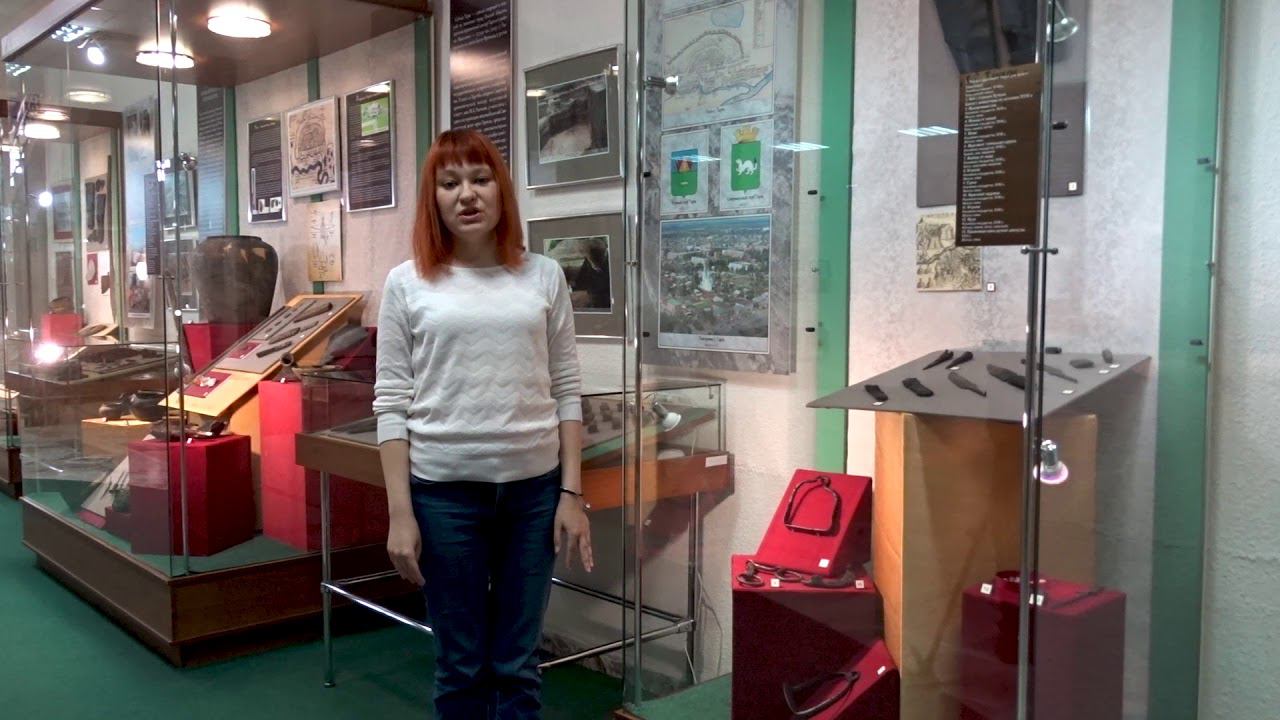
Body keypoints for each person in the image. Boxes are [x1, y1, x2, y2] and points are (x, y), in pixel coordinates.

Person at [374, 128, 593, 720]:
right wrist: (400, 513)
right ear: (434, 198)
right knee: (461, 665)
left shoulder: (544, 276)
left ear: (501, 189)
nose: (467, 194)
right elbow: (391, 403)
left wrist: (571, 494)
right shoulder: (406, 283)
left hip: (533, 496)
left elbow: (567, 389)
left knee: (518, 664)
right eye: (450, 183)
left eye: (480, 178)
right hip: (444, 497)